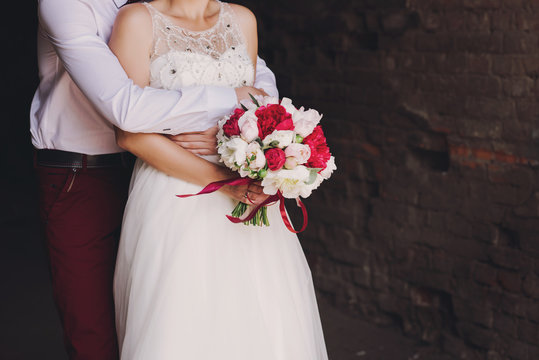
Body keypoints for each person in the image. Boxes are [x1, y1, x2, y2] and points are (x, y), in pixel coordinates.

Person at [33, 0, 277, 358]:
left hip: (162, 172)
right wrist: (231, 102)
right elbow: (126, 110)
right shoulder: (67, 4)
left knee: (180, 316)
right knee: (93, 329)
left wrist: (241, 118)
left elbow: (244, 68)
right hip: (85, 173)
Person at [109, 0, 329, 358]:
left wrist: (238, 145)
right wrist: (222, 180)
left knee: (262, 321)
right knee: (182, 322)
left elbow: (258, 115)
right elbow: (129, 134)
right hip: (174, 195)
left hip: (250, 197)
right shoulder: (137, 20)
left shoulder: (242, 20)